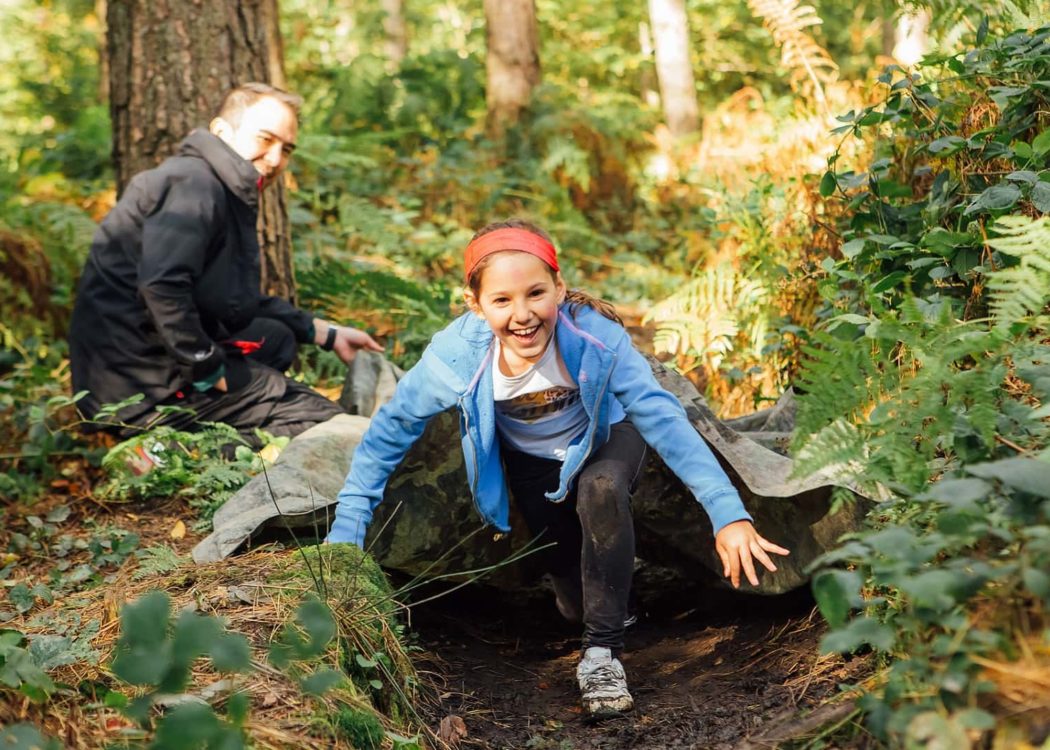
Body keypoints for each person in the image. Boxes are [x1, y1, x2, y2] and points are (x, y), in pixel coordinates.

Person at [326, 219, 789, 717]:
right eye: (501, 300)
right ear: (475, 305)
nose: (522, 315)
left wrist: (728, 514)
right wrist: (347, 529)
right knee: (570, 597)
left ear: (559, 288)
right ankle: (595, 608)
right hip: (530, 465)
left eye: (536, 294)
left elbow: (662, 417)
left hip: (607, 436)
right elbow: (388, 432)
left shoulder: (593, 335)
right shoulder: (455, 358)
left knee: (602, 489)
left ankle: (603, 654)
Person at [69, 83, 382, 445]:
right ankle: (161, 446)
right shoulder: (194, 184)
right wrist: (207, 367)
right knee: (330, 427)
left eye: (287, 148)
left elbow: (233, 299)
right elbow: (162, 286)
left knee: (277, 339)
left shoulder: (218, 185)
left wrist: (326, 334)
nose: (276, 159)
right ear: (221, 131)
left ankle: (211, 420)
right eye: (265, 139)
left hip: (143, 364)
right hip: (143, 385)